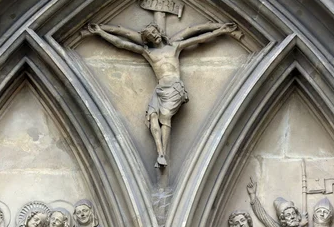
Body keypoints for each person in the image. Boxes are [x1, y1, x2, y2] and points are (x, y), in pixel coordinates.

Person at [88, 21, 237, 167]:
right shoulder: (148, 52)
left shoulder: (174, 47)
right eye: (151, 35)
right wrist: (101, 32)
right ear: (148, 40)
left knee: (165, 117)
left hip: (175, 88)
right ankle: (160, 154)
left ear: (159, 31)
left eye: (155, 32)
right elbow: (123, 43)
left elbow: (198, 38)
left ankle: (163, 153)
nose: (154, 35)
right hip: (160, 90)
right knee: (153, 117)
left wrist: (220, 30)